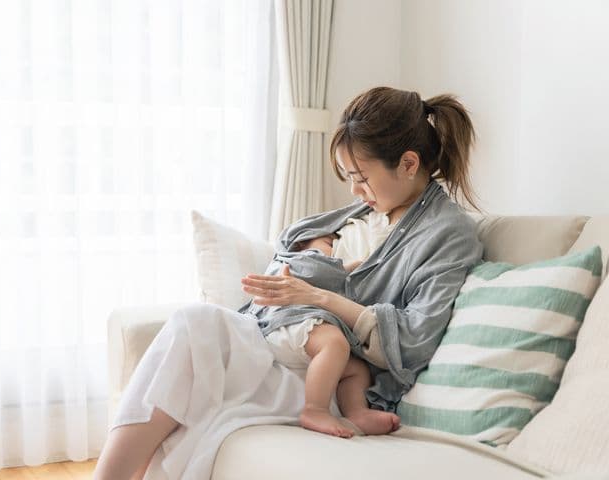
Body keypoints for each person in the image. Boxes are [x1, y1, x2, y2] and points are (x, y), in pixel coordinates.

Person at [94, 86, 484, 480]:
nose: (354, 190)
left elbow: (414, 338)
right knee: (193, 324)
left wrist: (319, 295)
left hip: (330, 377)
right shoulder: (365, 210)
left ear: (409, 163)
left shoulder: (449, 235)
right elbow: (292, 252)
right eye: (349, 177)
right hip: (278, 337)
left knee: (195, 334)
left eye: (361, 177)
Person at [239, 225, 401, 438]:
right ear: (300, 243)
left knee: (356, 369)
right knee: (335, 344)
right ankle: (315, 409)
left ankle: (356, 412)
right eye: (328, 243)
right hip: (287, 321)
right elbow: (325, 274)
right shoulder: (297, 258)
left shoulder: (316, 263)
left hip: (300, 336)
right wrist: (351, 268)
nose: (334, 249)